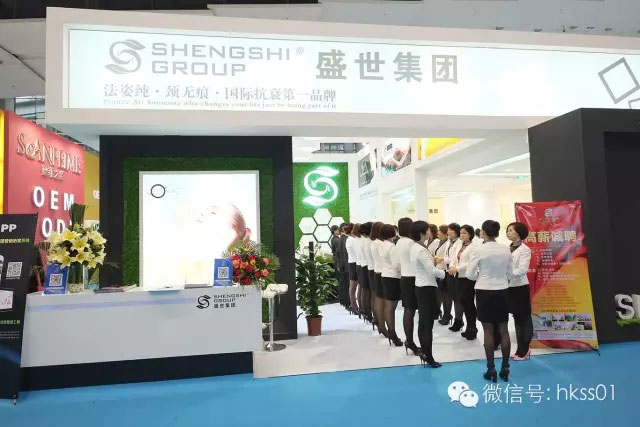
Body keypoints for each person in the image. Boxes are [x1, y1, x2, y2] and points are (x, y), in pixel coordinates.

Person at [467, 220, 513, 383]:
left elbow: (470, 274)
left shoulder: (478, 250)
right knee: (503, 329)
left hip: (484, 290)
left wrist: (480, 276)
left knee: (488, 331)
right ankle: (505, 368)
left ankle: (491, 368)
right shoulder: (505, 249)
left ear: (483, 233)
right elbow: (511, 273)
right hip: (502, 290)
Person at [410, 221, 446, 368]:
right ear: (422, 233)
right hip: (427, 287)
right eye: (427, 230)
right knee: (427, 324)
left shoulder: (415, 247)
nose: (429, 232)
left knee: (423, 322)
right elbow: (431, 270)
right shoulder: (421, 250)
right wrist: (445, 273)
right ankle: (429, 356)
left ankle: (426, 354)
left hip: (420, 285)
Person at [506, 222, 534, 361]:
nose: (508, 232)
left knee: (524, 318)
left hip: (520, 287)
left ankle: (525, 349)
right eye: (507, 230)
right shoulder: (507, 248)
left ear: (519, 232)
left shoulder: (525, 249)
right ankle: (519, 349)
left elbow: (522, 270)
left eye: (511, 230)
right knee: (516, 318)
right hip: (509, 287)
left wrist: (508, 276)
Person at [395, 218, 420, 355]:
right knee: (411, 311)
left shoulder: (399, 241)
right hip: (413, 278)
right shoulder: (411, 243)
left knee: (408, 310)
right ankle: (410, 341)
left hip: (404, 277)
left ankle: (409, 341)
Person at [449, 225, 478, 340]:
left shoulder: (474, 246)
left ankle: (472, 328)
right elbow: (454, 258)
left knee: (468, 303)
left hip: (468, 277)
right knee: (462, 302)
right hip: (458, 276)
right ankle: (468, 327)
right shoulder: (460, 245)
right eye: (461, 233)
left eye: (464, 233)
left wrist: (457, 268)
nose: (462, 235)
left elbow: (471, 262)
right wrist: (452, 266)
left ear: (470, 234)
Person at [434, 223, 462, 329]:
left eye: (450, 230)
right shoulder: (449, 242)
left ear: (456, 231)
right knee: (446, 295)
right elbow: (447, 256)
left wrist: (442, 259)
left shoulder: (459, 243)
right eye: (448, 230)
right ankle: (448, 315)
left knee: (455, 297)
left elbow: (455, 259)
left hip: (456, 272)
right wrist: (443, 259)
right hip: (447, 271)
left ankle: (458, 320)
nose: (448, 232)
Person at [379, 224, 403, 346]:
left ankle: (391, 332)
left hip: (385, 275)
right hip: (393, 277)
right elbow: (397, 265)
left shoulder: (381, 245)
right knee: (391, 308)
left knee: (388, 307)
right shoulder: (392, 247)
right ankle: (393, 334)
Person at [370, 222, 386, 336]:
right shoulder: (380, 244)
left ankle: (379, 322)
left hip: (376, 271)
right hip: (381, 273)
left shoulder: (374, 242)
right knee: (381, 301)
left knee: (377, 299)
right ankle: (382, 326)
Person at [432, 225, 449, 321]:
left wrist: (439, 259)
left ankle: (447, 315)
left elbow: (447, 257)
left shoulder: (447, 243)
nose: (438, 232)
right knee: (439, 293)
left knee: (445, 295)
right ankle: (438, 312)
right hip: (438, 270)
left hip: (444, 270)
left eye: (439, 231)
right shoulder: (440, 242)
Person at [358, 222, 373, 322]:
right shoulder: (368, 241)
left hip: (362, 265)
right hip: (367, 266)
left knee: (365, 290)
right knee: (368, 292)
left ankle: (365, 312)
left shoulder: (362, 240)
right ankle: (368, 313)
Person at [346, 223, 360, 315]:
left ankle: (353, 306)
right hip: (354, 263)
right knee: (354, 286)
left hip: (352, 262)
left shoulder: (349, 239)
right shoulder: (352, 240)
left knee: (353, 286)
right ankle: (354, 306)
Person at [335, 223, 350, 309]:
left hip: (341, 265)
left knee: (342, 283)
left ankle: (343, 301)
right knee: (347, 285)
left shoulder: (340, 239)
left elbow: (337, 253)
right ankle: (347, 302)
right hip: (347, 265)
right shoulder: (346, 239)